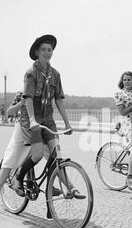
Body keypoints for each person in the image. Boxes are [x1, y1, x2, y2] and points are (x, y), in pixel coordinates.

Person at [12, 34, 84, 217]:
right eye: (43, 49)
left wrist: (67, 123)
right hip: (31, 119)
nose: (47, 52)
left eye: (49, 50)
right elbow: (27, 98)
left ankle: (53, 196)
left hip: (48, 119)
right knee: (36, 155)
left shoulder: (56, 74)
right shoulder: (31, 72)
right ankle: (18, 178)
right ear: (37, 52)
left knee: (55, 156)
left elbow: (58, 100)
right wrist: (33, 120)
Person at [0, 91, 54, 203]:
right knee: (12, 155)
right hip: (22, 128)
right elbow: (9, 111)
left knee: (50, 155)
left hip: (38, 129)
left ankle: (56, 186)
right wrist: (20, 104)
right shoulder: (23, 93)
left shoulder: (44, 94)